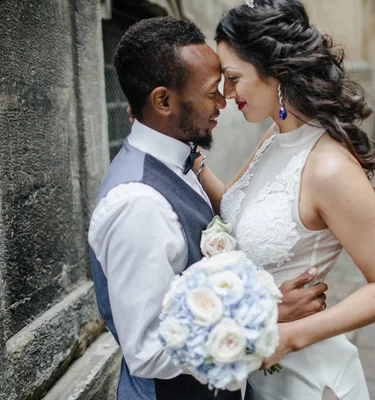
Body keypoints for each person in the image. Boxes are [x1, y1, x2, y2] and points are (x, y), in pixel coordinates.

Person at [88, 16, 328, 400]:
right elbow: (148, 352)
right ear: (163, 101)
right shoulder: (139, 205)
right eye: (210, 92)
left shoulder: (177, 159)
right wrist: (266, 317)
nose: (223, 102)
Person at [192, 1, 375, 399]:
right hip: (256, 374)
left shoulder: (329, 167)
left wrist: (290, 336)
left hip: (307, 378)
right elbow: (236, 209)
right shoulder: (273, 139)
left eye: (232, 77)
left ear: (275, 70)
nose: (227, 93)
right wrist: (191, 158)